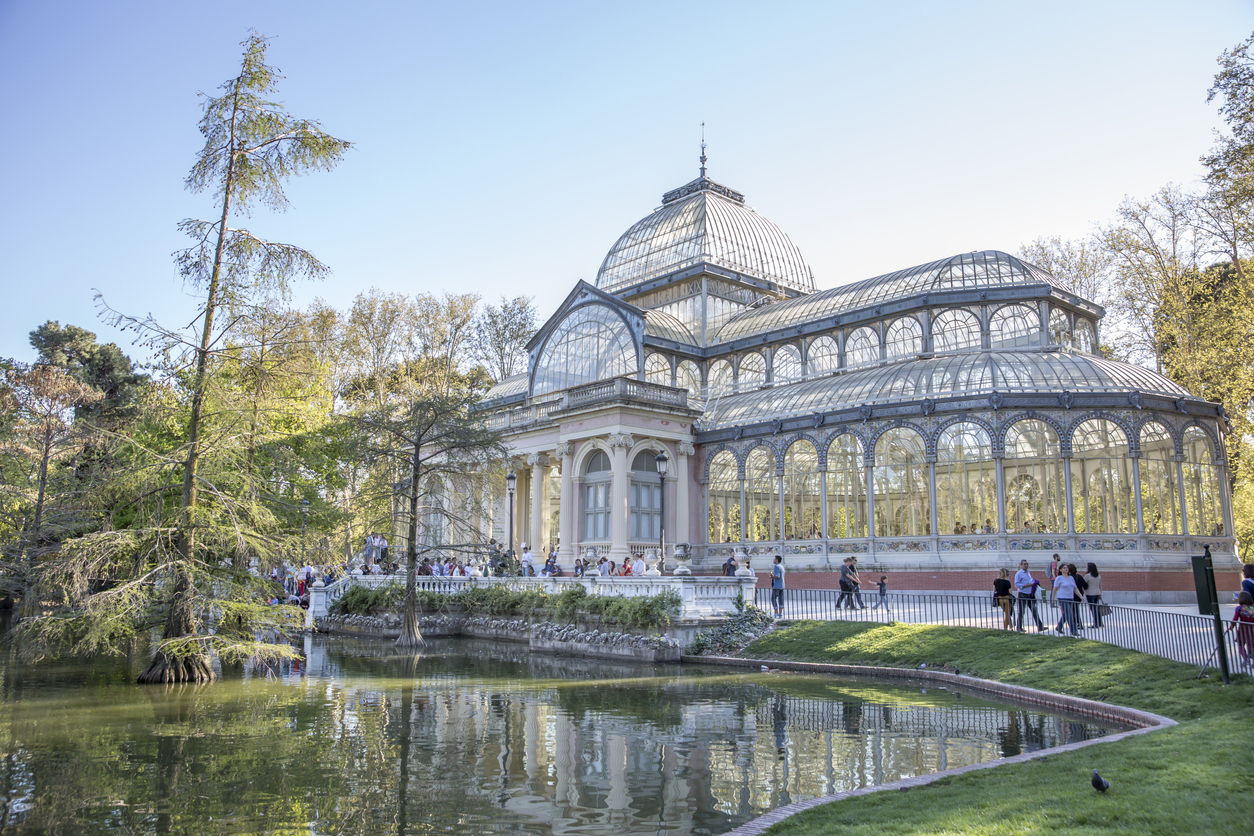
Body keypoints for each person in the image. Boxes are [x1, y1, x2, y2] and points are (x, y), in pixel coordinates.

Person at [1014, 560, 1045, 632]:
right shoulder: (1018, 574)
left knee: (1034, 610)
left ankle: (1040, 626)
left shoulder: (1028, 572)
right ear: (1021, 565)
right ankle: (1019, 627)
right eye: (1024, 564)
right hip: (1022, 594)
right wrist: (1025, 585)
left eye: (1027, 564)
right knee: (1021, 611)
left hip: (1030, 594)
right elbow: (1016, 584)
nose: (1026, 565)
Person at [1227, 591, 1254, 668]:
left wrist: (1232, 626)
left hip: (1243, 628)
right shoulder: (1253, 608)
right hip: (1252, 628)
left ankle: (1245, 659)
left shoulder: (1239, 608)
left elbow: (1235, 618)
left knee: (1240, 644)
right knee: (1252, 645)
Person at [1053, 563, 1080, 636]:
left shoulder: (1071, 578)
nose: (1066, 569)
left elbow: (1075, 588)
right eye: (1064, 568)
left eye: (1067, 568)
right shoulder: (1059, 578)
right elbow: (1054, 589)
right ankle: (1074, 631)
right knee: (1070, 615)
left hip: (1070, 598)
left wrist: (1081, 596)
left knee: (1066, 614)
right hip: (1062, 598)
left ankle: (1059, 627)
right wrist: (1053, 600)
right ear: (1061, 570)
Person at [1082, 562, 1104, 628]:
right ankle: (1100, 622)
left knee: (1093, 609)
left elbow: (1084, 584)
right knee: (1096, 608)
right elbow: (1100, 586)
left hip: (1090, 593)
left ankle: (1095, 623)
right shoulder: (1098, 575)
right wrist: (1100, 594)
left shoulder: (1087, 576)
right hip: (1097, 593)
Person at [771, 555, 785, 619]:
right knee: (781, 599)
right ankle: (780, 614)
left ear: (777, 560)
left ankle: (776, 613)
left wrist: (772, 576)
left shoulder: (776, 566)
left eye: (774, 559)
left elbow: (777, 576)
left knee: (773, 599)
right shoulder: (781, 566)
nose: (773, 560)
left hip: (776, 585)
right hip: (782, 585)